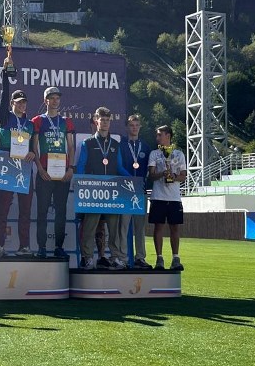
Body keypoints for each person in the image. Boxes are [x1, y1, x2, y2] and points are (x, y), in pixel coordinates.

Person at [76, 106, 127, 269]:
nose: (105, 123)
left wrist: (133, 180)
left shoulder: (115, 144)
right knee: (89, 227)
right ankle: (87, 257)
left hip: (112, 192)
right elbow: (81, 166)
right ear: (96, 121)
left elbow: (119, 167)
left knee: (113, 227)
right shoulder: (88, 143)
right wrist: (80, 182)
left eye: (107, 120)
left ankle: (115, 257)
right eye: (102, 120)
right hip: (93, 191)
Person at [0, 66, 35, 256]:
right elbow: (3, 97)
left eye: (24, 102)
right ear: (12, 103)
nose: (22, 105)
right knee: (2, 209)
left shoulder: (30, 124)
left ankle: (24, 246)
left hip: (24, 169)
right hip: (7, 168)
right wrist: (5, 75)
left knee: (25, 210)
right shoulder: (5, 118)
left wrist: (32, 152)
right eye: (19, 102)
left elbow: (33, 147)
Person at [32, 86, 75, 259]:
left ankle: (59, 246)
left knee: (61, 212)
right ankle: (41, 247)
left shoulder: (66, 121)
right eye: (52, 98)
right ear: (45, 101)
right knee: (42, 211)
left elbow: (71, 146)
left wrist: (71, 168)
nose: (55, 101)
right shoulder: (38, 120)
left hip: (62, 173)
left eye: (57, 98)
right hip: (44, 173)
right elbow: (34, 147)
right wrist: (39, 168)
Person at [147, 125, 187, 271]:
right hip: (158, 196)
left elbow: (183, 176)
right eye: (157, 135)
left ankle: (176, 258)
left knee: (174, 227)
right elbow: (151, 175)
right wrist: (162, 174)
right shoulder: (154, 154)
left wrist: (174, 176)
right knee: (158, 227)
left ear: (168, 136)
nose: (157, 138)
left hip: (174, 197)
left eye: (160, 135)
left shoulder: (179, 154)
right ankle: (159, 258)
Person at [118, 114, 153, 270]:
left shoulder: (145, 146)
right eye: (131, 125)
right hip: (125, 190)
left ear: (140, 127)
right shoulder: (121, 145)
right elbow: (119, 166)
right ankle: (123, 258)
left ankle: (140, 258)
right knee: (124, 226)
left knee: (140, 227)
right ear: (127, 127)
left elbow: (149, 169)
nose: (134, 128)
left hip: (140, 190)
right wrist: (130, 179)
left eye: (137, 125)